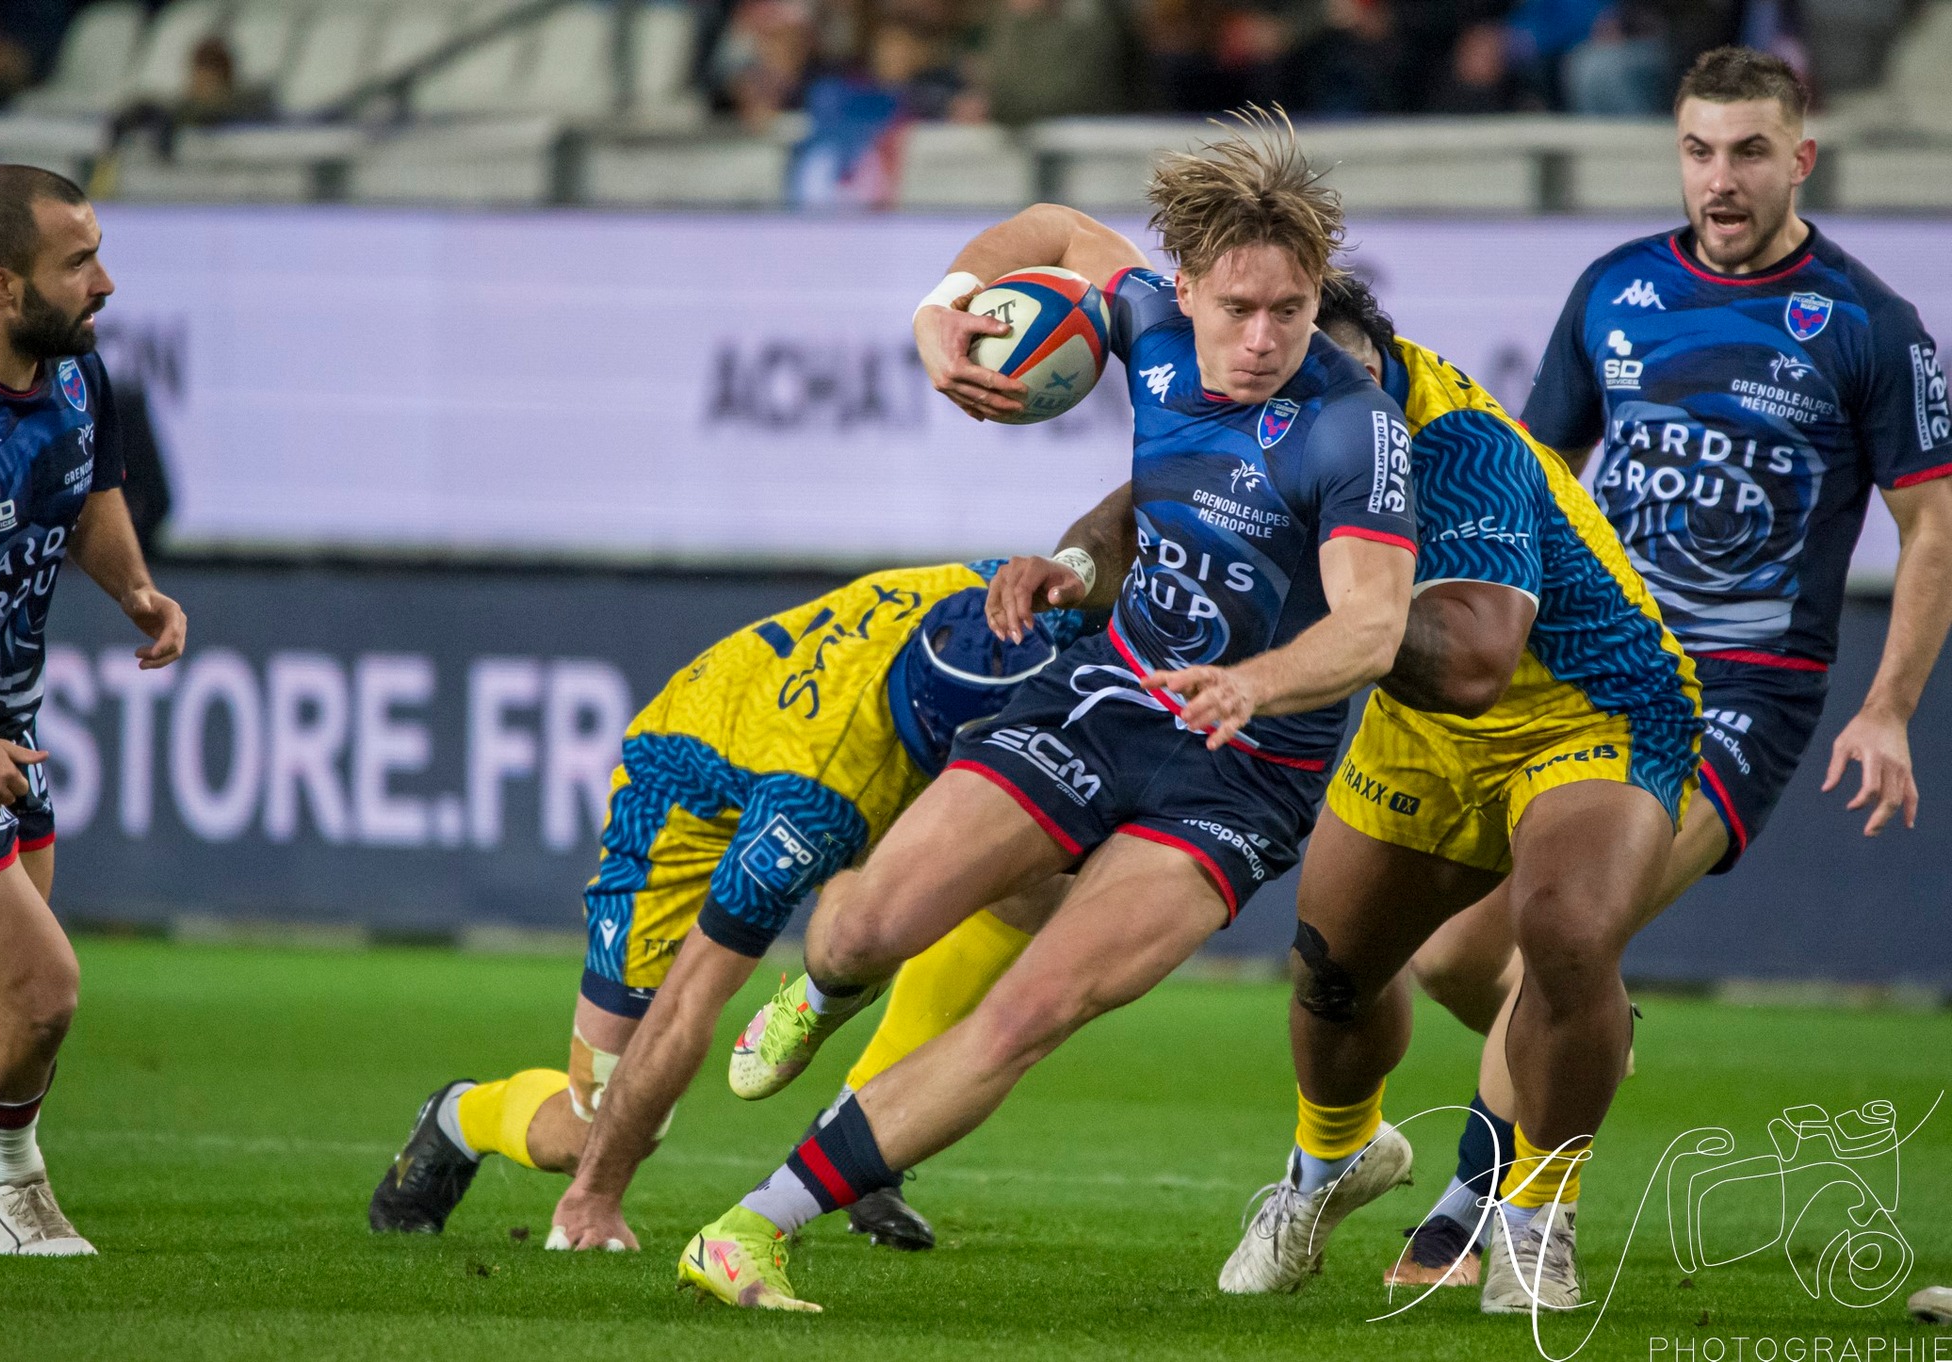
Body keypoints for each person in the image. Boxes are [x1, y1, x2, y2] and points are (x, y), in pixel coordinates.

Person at [680, 108, 1419, 1313]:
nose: (1262, 337)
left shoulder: (1354, 427)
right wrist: (939, 310)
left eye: (1289, 310)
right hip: (1106, 697)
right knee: (864, 929)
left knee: (1031, 1010)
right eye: (1237, 308)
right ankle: (818, 993)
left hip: (1241, 775)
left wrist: (1258, 683)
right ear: (1184, 286)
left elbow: (1371, 625)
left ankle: (751, 1228)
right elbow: (1045, 230)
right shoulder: (1149, 321)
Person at [1395, 46, 1952, 1293]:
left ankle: (1482, 1212)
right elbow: (1528, 475)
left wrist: (1889, 708)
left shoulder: (1867, 326)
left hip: (1745, 694)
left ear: (1799, 157)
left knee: (1555, 941)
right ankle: (1595, 1026)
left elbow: (1932, 526)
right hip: (1600, 675)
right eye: (1699, 150)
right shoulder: (1615, 289)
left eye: (1749, 151)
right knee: (1445, 959)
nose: (1720, 178)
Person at [1210, 271, 1700, 1314]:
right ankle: (1326, 1164)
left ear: (1370, 369)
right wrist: (1077, 561)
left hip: (1591, 706)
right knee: (1329, 973)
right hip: (1423, 729)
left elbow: (1473, 663)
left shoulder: (1456, 444)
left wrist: (1293, 636)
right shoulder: (1240, 385)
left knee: (1565, 936)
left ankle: (1534, 1218)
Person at [368, 558, 1084, 1252]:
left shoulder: (1005, 599)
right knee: (595, 1126)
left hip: (800, 721)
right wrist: (597, 1196)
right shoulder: (812, 802)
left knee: (1034, 872)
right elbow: (688, 1006)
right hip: (682, 790)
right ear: (942, 735)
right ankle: (461, 1117)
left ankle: (861, 1125)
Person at [0, 164, 187, 1255]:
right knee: (43, 988)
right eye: (77, 264)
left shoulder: (78, 379)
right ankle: (8, 1181)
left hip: (5, 734)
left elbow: (91, 486)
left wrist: (133, 591)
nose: (104, 282)